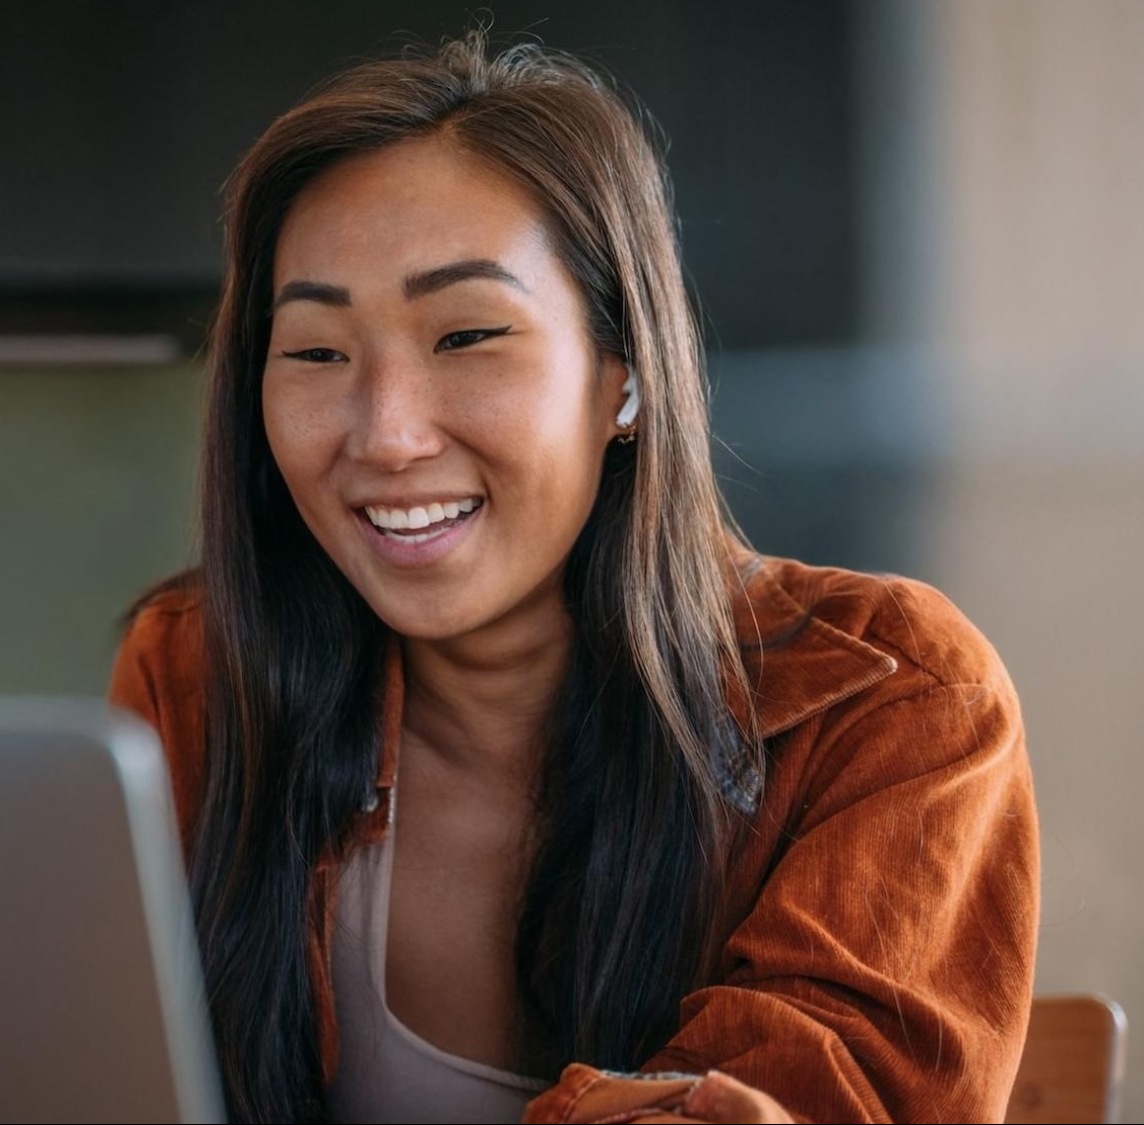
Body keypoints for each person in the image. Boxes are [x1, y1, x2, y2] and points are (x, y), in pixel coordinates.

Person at [107, 31, 1037, 1125]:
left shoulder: (894, 701)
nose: (388, 435)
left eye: (467, 336)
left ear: (625, 379)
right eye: (315, 351)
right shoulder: (196, 676)